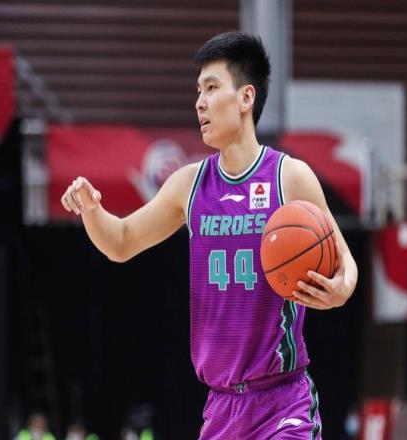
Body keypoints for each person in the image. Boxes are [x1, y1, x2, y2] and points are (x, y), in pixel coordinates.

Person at [61, 31, 358, 439]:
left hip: (283, 401)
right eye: (198, 91)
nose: (199, 102)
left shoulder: (288, 177)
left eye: (212, 88)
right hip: (222, 407)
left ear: (246, 97)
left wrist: (339, 290)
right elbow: (121, 242)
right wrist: (92, 210)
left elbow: (345, 262)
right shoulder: (189, 185)